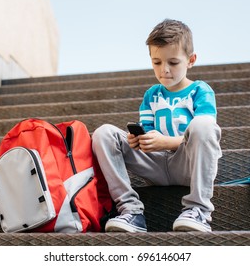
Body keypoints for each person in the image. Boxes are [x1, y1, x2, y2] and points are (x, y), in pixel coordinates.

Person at [92, 19, 222, 232]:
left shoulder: (200, 90)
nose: (164, 70)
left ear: (191, 60)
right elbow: (148, 130)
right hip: (155, 166)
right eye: (157, 62)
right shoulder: (151, 95)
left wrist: (166, 142)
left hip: (186, 164)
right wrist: (139, 141)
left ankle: (199, 210)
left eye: (173, 62)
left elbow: (206, 135)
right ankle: (130, 211)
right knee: (103, 133)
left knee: (203, 126)